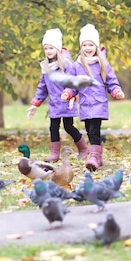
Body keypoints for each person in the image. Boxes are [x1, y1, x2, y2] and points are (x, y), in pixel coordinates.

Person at [61, 24, 124, 171]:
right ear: (81, 47)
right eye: (85, 45)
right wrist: (68, 93)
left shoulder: (102, 64)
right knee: (90, 131)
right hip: (85, 104)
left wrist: (116, 91)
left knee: (94, 130)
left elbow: (111, 82)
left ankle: (94, 158)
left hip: (98, 103)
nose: (88, 48)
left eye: (91, 45)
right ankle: (99, 157)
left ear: (96, 46)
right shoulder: (77, 65)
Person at [28, 28, 89, 162]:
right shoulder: (46, 67)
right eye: (46, 48)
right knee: (53, 127)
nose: (48, 51)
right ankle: (54, 154)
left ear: (57, 48)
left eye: (51, 48)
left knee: (68, 126)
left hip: (67, 102)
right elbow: (42, 87)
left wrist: (67, 93)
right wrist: (35, 103)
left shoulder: (66, 65)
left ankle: (84, 149)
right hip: (55, 103)